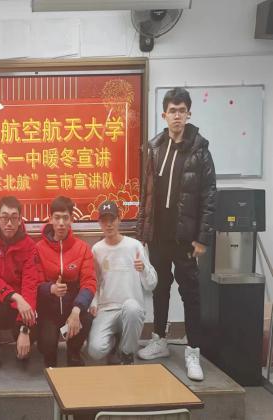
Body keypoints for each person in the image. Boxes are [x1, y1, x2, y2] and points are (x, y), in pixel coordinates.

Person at [136, 87, 217, 381]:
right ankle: (159, 338)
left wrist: (202, 239)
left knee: (190, 293)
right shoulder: (155, 148)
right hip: (159, 236)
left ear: (189, 114)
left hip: (185, 238)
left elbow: (209, 196)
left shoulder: (200, 151)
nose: (177, 116)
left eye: (182, 111)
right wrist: (143, 231)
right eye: (173, 111)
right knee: (160, 288)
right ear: (164, 115)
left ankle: (193, 350)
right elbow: (145, 193)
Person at [87, 200, 157, 365]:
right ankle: (115, 342)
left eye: (112, 219)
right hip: (107, 309)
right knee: (95, 351)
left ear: (119, 219)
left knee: (132, 308)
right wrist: (94, 302)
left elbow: (152, 284)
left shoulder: (135, 246)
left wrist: (143, 269)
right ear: (99, 223)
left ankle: (126, 352)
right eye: (104, 220)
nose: (109, 224)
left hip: (131, 307)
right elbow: (95, 281)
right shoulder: (97, 249)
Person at [0, 196, 40, 371]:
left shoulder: (29, 246)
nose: (9, 223)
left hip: (20, 309)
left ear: (20, 220)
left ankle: (21, 339)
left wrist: (24, 330)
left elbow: (30, 285)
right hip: (0, 302)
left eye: (14, 218)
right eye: (4, 217)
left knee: (24, 357)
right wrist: (15, 297)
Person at [35, 196, 96, 367]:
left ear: (72, 220)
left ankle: (73, 352)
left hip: (72, 308)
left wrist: (76, 311)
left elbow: (89, 282)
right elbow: (34, 283)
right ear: (50, 219)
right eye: (57, 218)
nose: (61, 223)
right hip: (49, 311)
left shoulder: (83, 248)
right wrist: (51, 288)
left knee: (86, 317)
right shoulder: (39, 248)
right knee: (46, 347)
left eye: (65, 218)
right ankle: (50, 352)